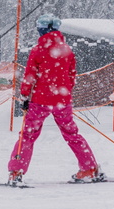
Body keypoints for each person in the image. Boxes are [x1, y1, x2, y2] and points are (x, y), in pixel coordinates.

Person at [8, 15, 102, 185]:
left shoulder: (38, 50)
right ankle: (89, 168)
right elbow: (72, 76)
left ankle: (16, 172)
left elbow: (30, 75)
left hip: (39, 101)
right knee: (72, 134)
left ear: (44, 29)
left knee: (28, 136)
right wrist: (63, 93)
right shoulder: (67, 50)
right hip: (62, 102)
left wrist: (24, 95)